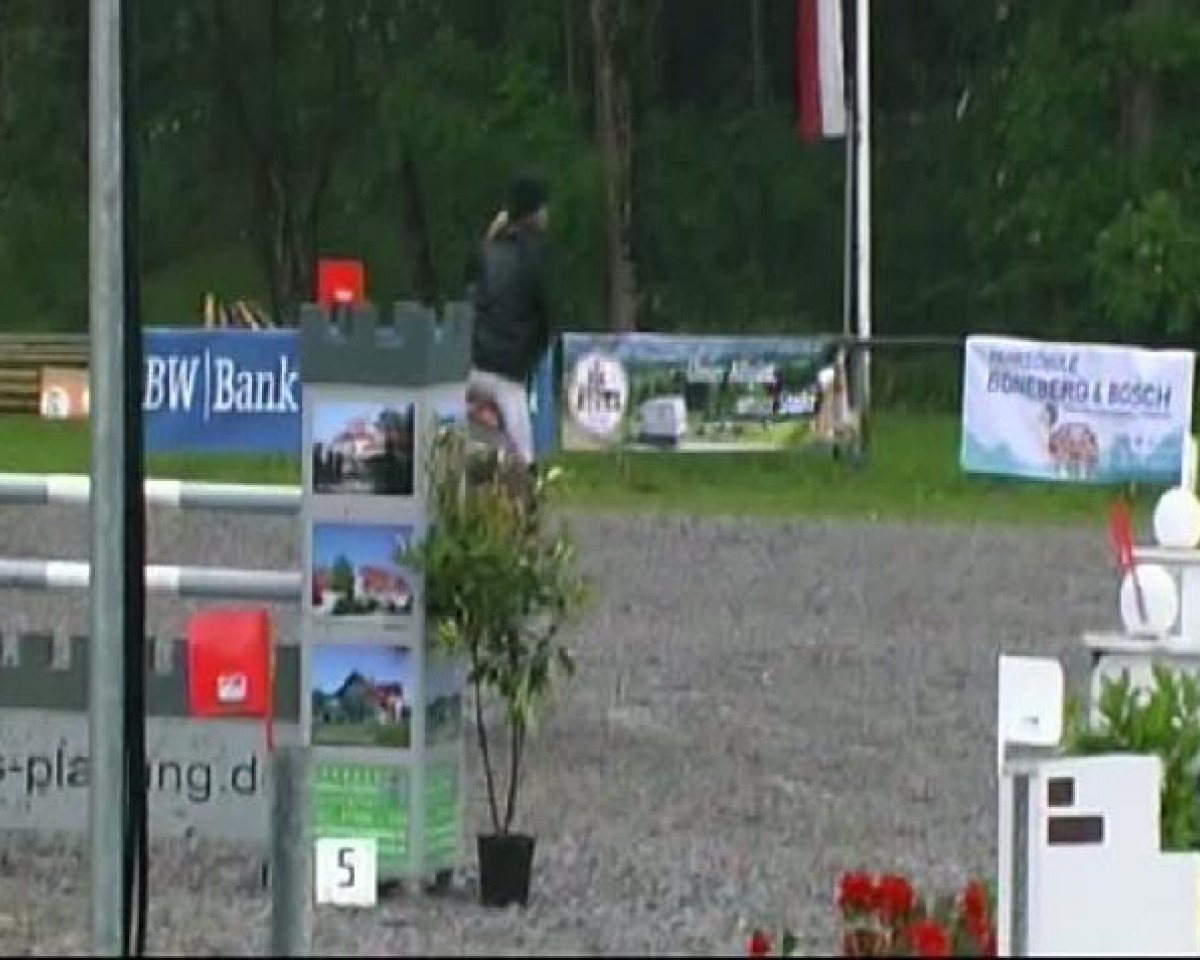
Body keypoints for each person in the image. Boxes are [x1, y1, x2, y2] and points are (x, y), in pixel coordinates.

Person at [467, 174, 552, 465]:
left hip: (472, 366)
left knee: (473, 448)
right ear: (534, 212)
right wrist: (530, 358)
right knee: (522, 458)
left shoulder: (486, 251)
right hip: (507, 372)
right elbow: (545, 319)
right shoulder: (536, 257)